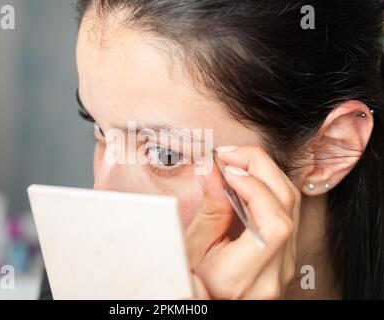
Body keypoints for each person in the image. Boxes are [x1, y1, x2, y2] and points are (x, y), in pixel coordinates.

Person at [40, 0, 384, 299]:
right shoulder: (80, 276)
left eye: (166, 155)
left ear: (328, 149)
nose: (101, 196)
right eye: (99, 128)